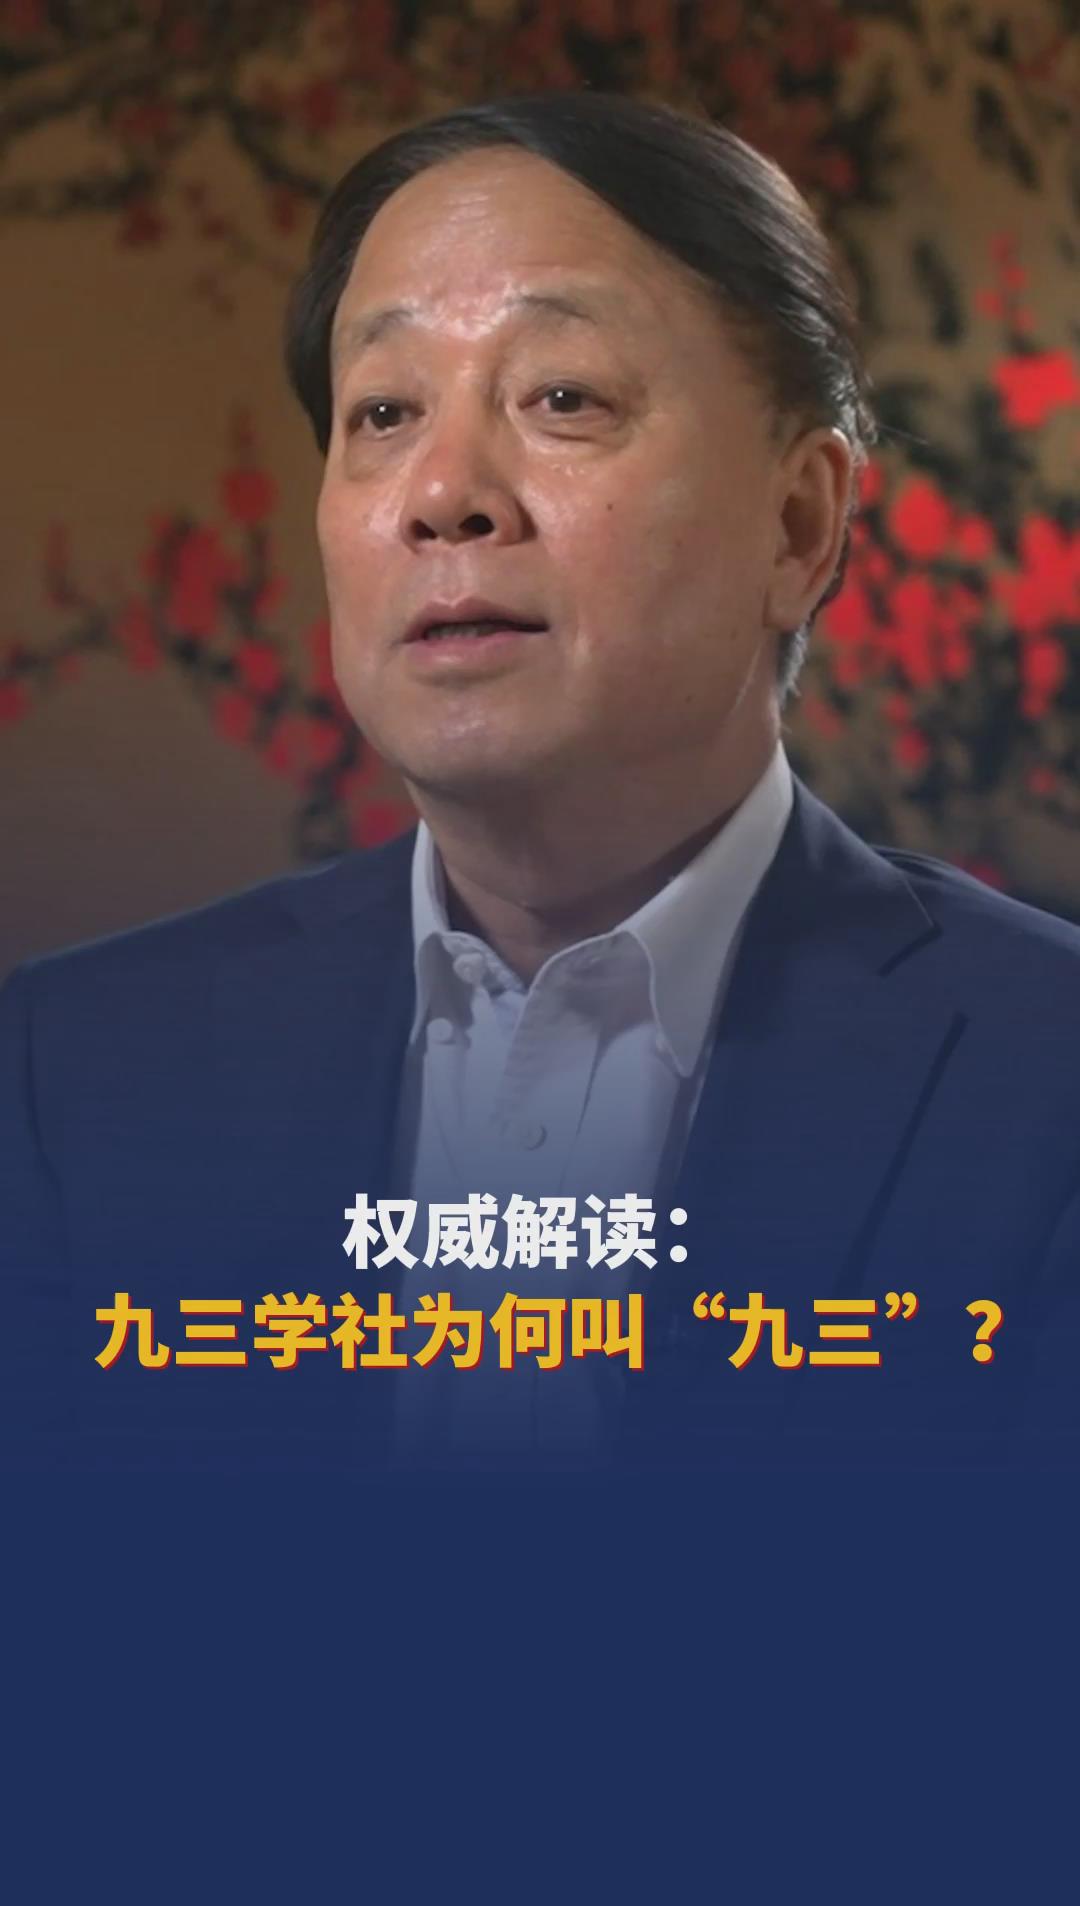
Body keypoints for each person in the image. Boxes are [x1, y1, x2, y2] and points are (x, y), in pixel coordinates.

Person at [3, 91, 1079, 1472]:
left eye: (563, 398)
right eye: (383, 412)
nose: (442, 492)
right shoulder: (78, 1075)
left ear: (799, 524)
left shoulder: (1042, 1079)